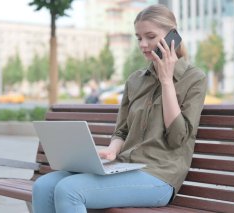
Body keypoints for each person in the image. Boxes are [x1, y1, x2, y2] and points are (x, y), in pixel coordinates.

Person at [32, 4, 207, 213]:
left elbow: (177, 138)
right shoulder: (135, 80)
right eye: (138, 38)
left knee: (70, 191)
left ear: (173, 35)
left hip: (160, 176)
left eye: (150, 36)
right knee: (43, 186)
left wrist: (167, 81)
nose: (143, 44)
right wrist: (112, 150)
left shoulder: (194, 78)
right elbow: (121, 130)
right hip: (124, 167)